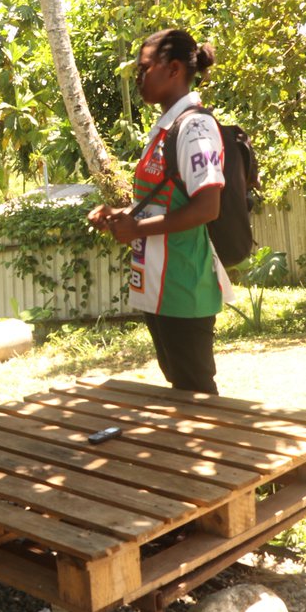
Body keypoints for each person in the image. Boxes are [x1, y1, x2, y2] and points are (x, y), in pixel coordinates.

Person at [89, 29, 234, 394]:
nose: (138, 78)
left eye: (144, 69)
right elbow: (165, 201)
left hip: (185, 286)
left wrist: (137, 230)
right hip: (157, 287)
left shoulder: (195, 127)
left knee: (196, 395)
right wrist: (121, 215)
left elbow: (207, 206)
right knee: (181, 391)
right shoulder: (165, 129)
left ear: (172, 69)